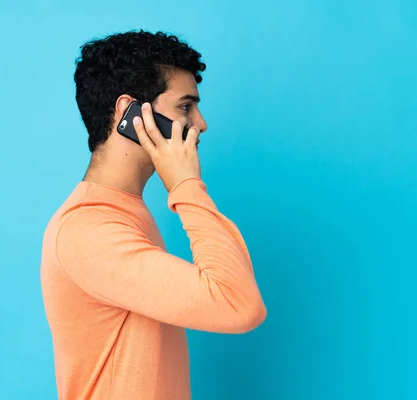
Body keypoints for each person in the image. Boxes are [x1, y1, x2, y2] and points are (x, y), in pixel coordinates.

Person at [40, 30, 267, 400]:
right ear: (129, 112)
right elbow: (238, 305)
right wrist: (186, 184)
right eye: (185, 106)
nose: (201, 123)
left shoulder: (122, 211)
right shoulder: (88, 228)